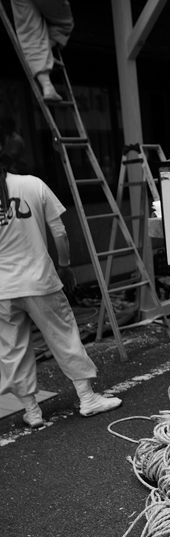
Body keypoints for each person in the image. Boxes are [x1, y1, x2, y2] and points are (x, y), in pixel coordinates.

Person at [0, 160, 122, 427]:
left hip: (2, 289)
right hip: (39, 280)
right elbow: (59, 232)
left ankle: (32, 412)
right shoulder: (33, 184)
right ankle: (87, 398)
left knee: (12, 348)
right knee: (63, 336)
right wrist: (65, 266)